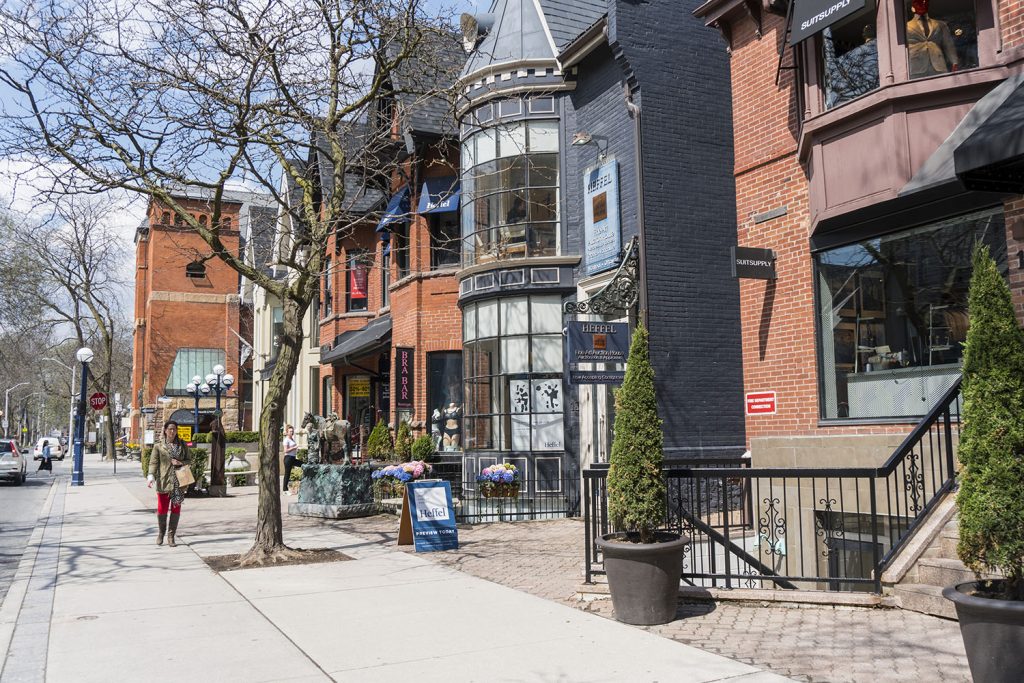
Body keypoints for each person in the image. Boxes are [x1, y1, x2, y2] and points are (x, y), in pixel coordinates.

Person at [147, 420, 193, 547]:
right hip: (164, 480)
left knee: (176, 508)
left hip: (179, 481)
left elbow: (189, 460)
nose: (172, 431)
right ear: (165, 430)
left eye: (174, 429)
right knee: (162, 508)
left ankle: (171, 536)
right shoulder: (158, 446)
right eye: (170, 429)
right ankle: (161, 533)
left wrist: (181, 463)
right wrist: (151, 475)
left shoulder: (182, 445)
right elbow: (153, 462)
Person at [282, 424, 299, 495]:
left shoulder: (292, 439)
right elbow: (285, 450)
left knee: (303, 464)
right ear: (287, 432)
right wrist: (294, 448)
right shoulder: (286, 440)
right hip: (288, 458)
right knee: (287, 474)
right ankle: (285, 490)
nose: (292, 433)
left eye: (292, 431)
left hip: (293, 458)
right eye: (290, 431)